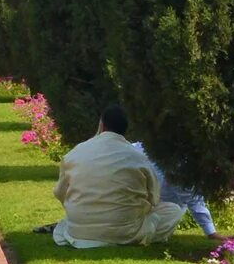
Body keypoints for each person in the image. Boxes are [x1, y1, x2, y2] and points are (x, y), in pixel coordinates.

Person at [49, 102, 216, 247]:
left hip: (80, 229)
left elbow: (60, 193)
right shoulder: (139, 157)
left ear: (101, 125)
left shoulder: (75, 153)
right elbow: (153, 199)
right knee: (173, 210)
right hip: (125, 232)